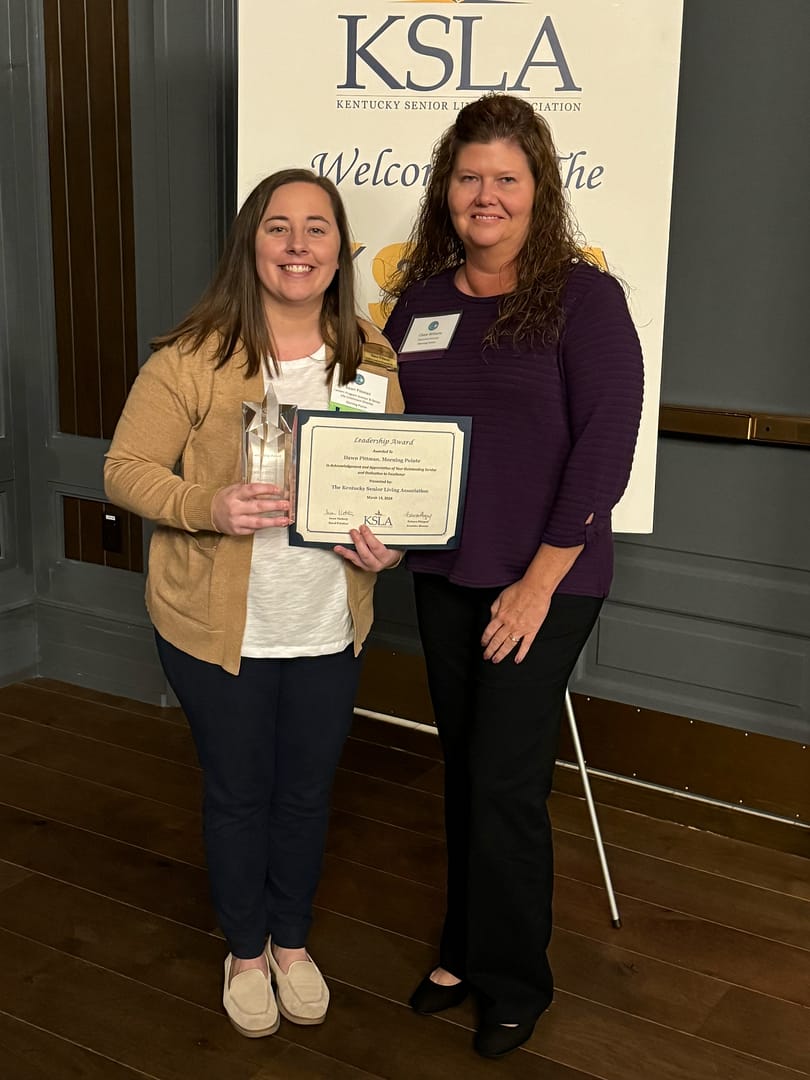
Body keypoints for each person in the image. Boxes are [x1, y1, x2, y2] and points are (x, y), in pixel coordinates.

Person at [105, 169, 402, 1038]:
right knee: (239, 792)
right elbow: (124, 472)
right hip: (214, 627)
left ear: (338, 253)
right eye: (279, 227)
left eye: (317, 229)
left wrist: (394, 544)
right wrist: (210, 505)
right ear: (251, 245)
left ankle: (293, 941)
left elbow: (397, 492)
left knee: (307, 793)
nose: (298, 245)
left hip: (326, 624)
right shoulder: (193, 359)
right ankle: (244, 948)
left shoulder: (372, 360)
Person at [382, 94, 644, 1059]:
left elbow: (605, 450)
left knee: (504, 780)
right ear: (445, 190)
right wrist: (377, 528)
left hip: (548, 579)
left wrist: (536, 582)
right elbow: (393, 441)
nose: (483, 195)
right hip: (448, 571)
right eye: (467, 177)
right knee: (464, 767)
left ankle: (513, 976)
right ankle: (462, 946)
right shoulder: (420, 301)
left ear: (539, 191)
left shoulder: (583, 298)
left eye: (505, 178)